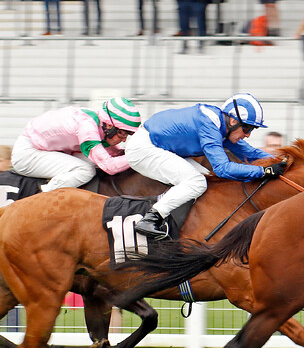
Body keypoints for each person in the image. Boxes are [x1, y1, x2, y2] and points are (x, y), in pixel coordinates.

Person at [126, 93, 286, 239]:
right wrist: (263, 171)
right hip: (144, 148)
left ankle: (177, 223)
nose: (248, 134)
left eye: (252, 129)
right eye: (247, 128)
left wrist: (283, 160)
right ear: (233, 121)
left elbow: (250, 153)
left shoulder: (221, 126)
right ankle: (151, 218)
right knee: (197, 182)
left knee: (206, 180)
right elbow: (223, 169)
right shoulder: (209, 126)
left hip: (159, 146)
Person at [10, 98, 140, 193]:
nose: (123, 140)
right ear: (109, 125)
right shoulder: (87, 127)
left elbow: (114, 154)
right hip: (28, 154)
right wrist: (139, 156)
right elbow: (109, 166)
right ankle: (43, 196)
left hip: (50, 149)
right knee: (85, 170)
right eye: (122, 133)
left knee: (92, 164)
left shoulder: (99, 122)